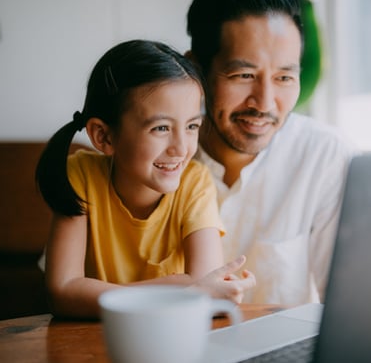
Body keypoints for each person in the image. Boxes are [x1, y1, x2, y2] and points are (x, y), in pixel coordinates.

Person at [35, 40, 255, 318]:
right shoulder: (82, 175)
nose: (181, 147)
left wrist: (97, 293)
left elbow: (205, 288)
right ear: (104, 136)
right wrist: (181, 288)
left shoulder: (195, 183)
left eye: (191, 126)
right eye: (161, 128)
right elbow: (63, 293)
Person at [186, 0, 356, 305]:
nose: (264, 103)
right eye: (243, 75)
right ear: (196, 72)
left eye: (283, 77)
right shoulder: (152, 158)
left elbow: (352, 305)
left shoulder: (324, 155)